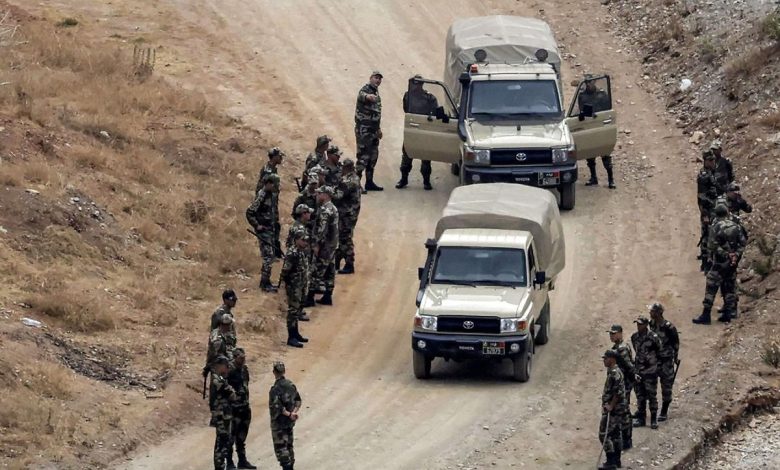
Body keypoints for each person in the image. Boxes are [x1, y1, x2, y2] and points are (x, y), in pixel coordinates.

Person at [693, 202, 747, 324]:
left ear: (716, 214)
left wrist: (725, 254)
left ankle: (706, 315)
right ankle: (729, 314)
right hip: (731, 264)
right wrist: (735, 256)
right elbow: (742, 243)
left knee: (711, 288)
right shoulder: (735, 226)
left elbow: (711, 246)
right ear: (727, 213)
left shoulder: (715, 226)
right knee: (729, 287)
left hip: (719, 263)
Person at [397, 75, 438, 190]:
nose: (416, 86)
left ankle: (426, 181)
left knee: (426, 157)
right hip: (412, 128)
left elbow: (434, 113)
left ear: (422, 85)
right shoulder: (408, 96)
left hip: (424, 130)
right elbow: (406, 109)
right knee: (406, 156)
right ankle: (403, 179)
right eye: (414, 84)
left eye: (418, 84)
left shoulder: (429, 98)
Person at [578, 75, 615, 189]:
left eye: (591, 82)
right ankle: (593, 177)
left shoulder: (602, 95)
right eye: (588, 82)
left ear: (595, 82)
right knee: (590, 154)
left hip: (600, 125)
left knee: (605, 154)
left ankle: (611, 179)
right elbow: (581, 110)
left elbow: (607, 110)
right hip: (589, 126)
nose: (590, 84)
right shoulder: (582, 96)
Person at [246, 173, 281, 292]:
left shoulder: (271, 195)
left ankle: (266, 281)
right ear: (269, 183)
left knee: (270, 257)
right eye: (274, 185)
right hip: (264, 231)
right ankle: (264, 283)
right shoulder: (262, 195)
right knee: (268, 257)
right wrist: (257, 226)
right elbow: (250, 212)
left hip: (270, 230)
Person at [307, 186, 339, 306]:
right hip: (332, 245)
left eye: (319, 193)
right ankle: (327, 296)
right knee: (330, 270)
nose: (317, 195)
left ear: (326, 195)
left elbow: (322, 230)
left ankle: (309, 298)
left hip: (325, 246)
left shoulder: (326, 210)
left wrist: (316, 244)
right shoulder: (333, 208)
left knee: (316, 270)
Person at [226, 348, 257, 469]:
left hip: (244, 406)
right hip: (234, 408)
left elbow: (246, 384)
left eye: (244, 357)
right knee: (231, 436)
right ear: (235, 357)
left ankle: (242, 460)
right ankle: (229, 462)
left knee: (242, 436)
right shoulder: (229, 371)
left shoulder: (244, 369)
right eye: (241, 358)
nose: (243, 360)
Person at [648, 303, 679, 422]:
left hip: (666, 361)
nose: (650, 313)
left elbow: (675, 344)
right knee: (651, 385)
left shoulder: (669, 327)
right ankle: (653, 410)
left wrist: (675, 357)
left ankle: (664, 411)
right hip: (654, 360)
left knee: (666, 387)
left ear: (658, 313)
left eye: (652, 312)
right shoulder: (651, 324)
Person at [355, 70, 384, 192]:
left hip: (373, 131)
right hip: (364, 130)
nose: (378, 80)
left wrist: (378, 129)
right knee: (363, 157)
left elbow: (376, 113)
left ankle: (369, 182)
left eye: (379, 79)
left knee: (373, 157)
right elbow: (362, 95)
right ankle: (356, 185)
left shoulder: (375, 92)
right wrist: (368, 97)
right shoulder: (366, 90)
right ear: (370, 78)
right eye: (376, 78)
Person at [269, 361, 302, 470]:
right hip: (289, 423)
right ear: (284, 371)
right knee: (289, 445)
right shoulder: (291, 385)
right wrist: (294, 413)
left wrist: (288, 414)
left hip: (279, 423)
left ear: (274, 372)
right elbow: (298, 400)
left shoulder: (275, 389)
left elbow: (277, 407)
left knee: (281, 448)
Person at [631, 315, 661, 429]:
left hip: (650, 371)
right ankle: (641, 418)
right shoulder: (634, 337)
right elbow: (637, 351)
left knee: (652, 395)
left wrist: (654, 365)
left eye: (640, 324)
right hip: (639, 371)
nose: (638, 326)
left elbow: (659, 350)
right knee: (640, 396)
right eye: (637, 324)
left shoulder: (653, 337)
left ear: (646, 325)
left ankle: (653, 418)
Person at [281, 230, 310, 348]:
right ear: (297, 240)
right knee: (293, 311)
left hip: (301, 284)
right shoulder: (292, 253)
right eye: (303, 240)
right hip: (294, 286)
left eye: (306, 240)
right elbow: (285, 271)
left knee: (298, 309)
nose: (305, 243)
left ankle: (296, 333)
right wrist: (288, 284)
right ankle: (291, 336)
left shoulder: (301, 252)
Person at [598, 350, 626, 470]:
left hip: (614, 409)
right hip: (617, 408)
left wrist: (611, 406)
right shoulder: (613, 371)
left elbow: (618, 393)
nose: (604, 360)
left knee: (604, 433)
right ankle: (617, 460)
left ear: (612, 359)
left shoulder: (615, 373)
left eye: (606, 358)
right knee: (615, 434)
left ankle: (611, 462)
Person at [608, 324, 634, 450]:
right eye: (610, 333)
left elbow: (629, 367)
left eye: (614, 333)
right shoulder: (618, 347)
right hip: (622, 383)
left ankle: (627, 440)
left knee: (624, 413)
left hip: (623, 385)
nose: (611, 336)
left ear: (620, 333)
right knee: (624, 412)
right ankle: (625, 439)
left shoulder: (621, 349)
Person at [256, 148, 285, 259]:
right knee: (268, 228)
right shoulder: (268, 171)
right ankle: (269, 254)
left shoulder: (273, 169)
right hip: (266, 206)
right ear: (274, 157)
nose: (281, 158)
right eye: (279, 156)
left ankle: (275, 252)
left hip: (272, 204)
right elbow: (263, 190)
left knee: (275, 227)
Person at [211, 355, 238, 470]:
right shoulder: (217, 379)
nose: (227, 369)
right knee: (221, 442)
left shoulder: (220, 378)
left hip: (224, 414)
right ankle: (220, 466)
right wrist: (231, 390)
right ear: (221, 366)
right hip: (221, 415)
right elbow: (231, 394)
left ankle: (221, 465)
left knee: (223, 441)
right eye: (226, 367)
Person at [334, 158, 361, 274]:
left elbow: (337, 196)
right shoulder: (355, 177)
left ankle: (349, 264)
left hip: (347, 214)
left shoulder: (348, 181)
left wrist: (327, 191)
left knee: (345, 238)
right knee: (342, 236)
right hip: (350, 213)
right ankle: (338, 257)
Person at [697, 152, 719, 272]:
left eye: (713, 160)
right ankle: (706, 263)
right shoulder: (704, 175)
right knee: (707, 235)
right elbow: (701, 197)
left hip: (713, 208)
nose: (712, 162)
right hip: (708, 210)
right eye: (710, 160)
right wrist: (705, 214)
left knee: (712, 234)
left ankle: (710, 260)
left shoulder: (711, 173)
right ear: (705, 161)